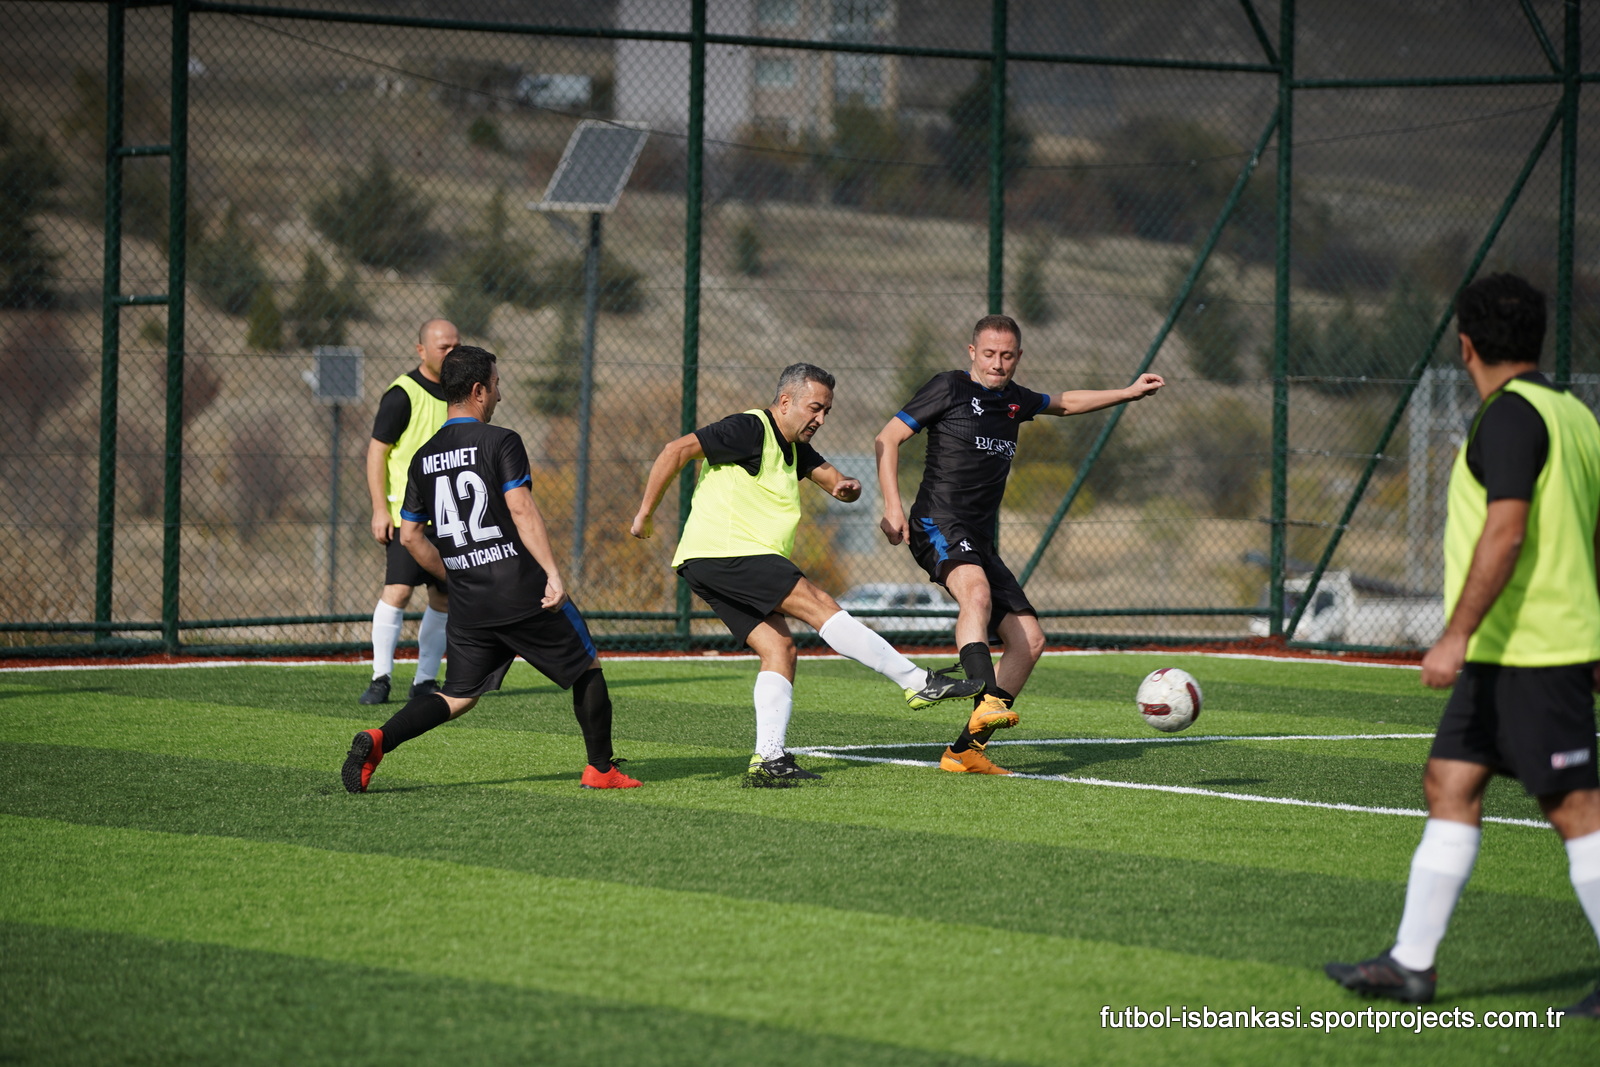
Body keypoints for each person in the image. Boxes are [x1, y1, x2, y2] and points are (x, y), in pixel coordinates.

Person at [1325, 274, 1600, 1017]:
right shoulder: (1575, 415)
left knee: (1575, 809)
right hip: (1515, 651)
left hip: (1532, 648)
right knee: (1450, 782)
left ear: (1466, 345)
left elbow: (1506, 531)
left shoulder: (1508, 416)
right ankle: (1411, 964)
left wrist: (1454, 635)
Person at [630, 362, 986, 787]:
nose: (820, 419)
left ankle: (769, 758)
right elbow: (676, 450)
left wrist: (847, 487)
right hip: (729, 551)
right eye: (814, 408)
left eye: (826, 411)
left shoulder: (795, 447)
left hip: (711, 560)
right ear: (785, 402)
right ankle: (916, 682)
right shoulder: (750, 428)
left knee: (780, 647)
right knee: (820, 605)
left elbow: (835, 481)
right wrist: (645, 514)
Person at [875, 314, 1164, 774]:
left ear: (1018, 357)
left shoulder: (1015, 400)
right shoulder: (949, 387)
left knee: (1029, 640)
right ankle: (986, 695)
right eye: (989, 354)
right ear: (972, 352)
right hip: (938, 522)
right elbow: (888, 438)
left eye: (1007, 356)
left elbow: (1064, 403)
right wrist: (892, 506)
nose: (998, 363)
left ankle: (965, 751)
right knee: (976, 595)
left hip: (979, 538)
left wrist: (1127, 392)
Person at [343, 345, 640, 792]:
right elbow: (521, 509)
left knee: (458, 695)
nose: (500, 394)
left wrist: (453, 575)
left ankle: (381, 739)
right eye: (497, 385)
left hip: (469, 601)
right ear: (478, 390)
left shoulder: (422, 457)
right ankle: (600, 769)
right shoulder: (501, 441)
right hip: (521, 590)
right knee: (586, 667)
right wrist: (553, 573)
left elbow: (410, 537)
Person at [360, 318, 460, 705]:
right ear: (421, 350)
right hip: (409, 519)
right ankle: (380, 678)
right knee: (398, 592)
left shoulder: (461, 393)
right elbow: (377, 452)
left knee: (444, 598)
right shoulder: (401, 394)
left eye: (456, 346)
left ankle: (424, 681)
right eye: (443, 347)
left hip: (449, 518)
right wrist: (379, 509)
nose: (451, 353)